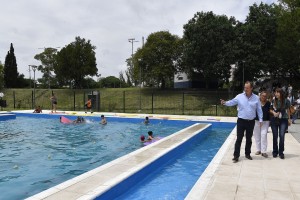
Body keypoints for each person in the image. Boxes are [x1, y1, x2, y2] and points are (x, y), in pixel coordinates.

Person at [220, 81, 263, 163]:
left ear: (251, 88)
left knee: (249, 139)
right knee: (239, 138)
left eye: (247, 88)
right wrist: (225, 103)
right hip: (241, 121)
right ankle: (236, 156)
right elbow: (232, 102)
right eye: (244, 87)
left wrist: (261, 119)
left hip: (251, 121)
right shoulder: (239, 96)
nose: (245, 89)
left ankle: (247, 154)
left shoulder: (256, 98)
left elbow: (259, 110)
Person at [270, 88, 291, 159]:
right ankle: (275, 151)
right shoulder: (273, 100)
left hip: (283, 119)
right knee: (275, 136)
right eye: (275, 92)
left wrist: (289, 119)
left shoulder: (286, 101)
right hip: (274, 119)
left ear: (281, 93)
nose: (276, 93)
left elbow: (288, 110)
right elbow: (270, 109)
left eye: (278, 92)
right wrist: (273, 113)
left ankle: (281, 152)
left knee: (282, 135)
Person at [253, 91, 271, 158]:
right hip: (257, 121)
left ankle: (264, 151)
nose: (264, 97)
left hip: (265, 121)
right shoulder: (256, 103)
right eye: (262, 96)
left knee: (263, 135)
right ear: (260, 96)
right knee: (257, 136)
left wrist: (270, 121)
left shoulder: (268, 103)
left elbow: (270, 112)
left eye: (265, 96)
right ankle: (258, 150)